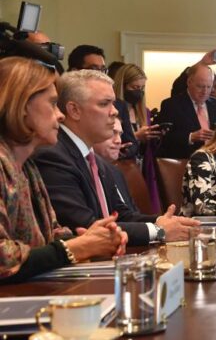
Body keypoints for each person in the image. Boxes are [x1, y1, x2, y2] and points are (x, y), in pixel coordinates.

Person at [33, 70, 194, 246]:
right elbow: (87, 226)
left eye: (114, 103)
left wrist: (164, 222)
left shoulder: (97, 161)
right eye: (104, 104)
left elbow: (122, 215)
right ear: (74, 110)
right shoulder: (52, 155)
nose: (115, 111)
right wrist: (158, 231)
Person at [0, 57, 125, 282]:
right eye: (52, 103)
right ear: (21, 106)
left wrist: (93, 238)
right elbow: (3, 258)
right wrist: (77, 248)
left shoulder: (27, 165)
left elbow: (52, 233)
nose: (60, 114)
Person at [94, 117, 198, 240]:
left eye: (120, 134)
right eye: (112, 133)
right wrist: (160, 231)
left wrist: (163, 221)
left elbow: (129, 217)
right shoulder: (83, 171)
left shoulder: (115, 172)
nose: (118, 140)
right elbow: (99, 228)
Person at [112, 63, 162, 212]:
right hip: (122, 165)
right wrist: (136, 137)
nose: (139, 92)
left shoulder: (143, 111)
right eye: (135, 88)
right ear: (123, 85)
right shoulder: (115, 109)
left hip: (142, 166)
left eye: (141, 88)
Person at [156, 64, 216, 159]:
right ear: (189, 82)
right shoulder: (171, 105)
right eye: (200, 86)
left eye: (208, 87)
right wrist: (190, 137)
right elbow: (164, 138)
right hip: (184, 163)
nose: (205, 91)